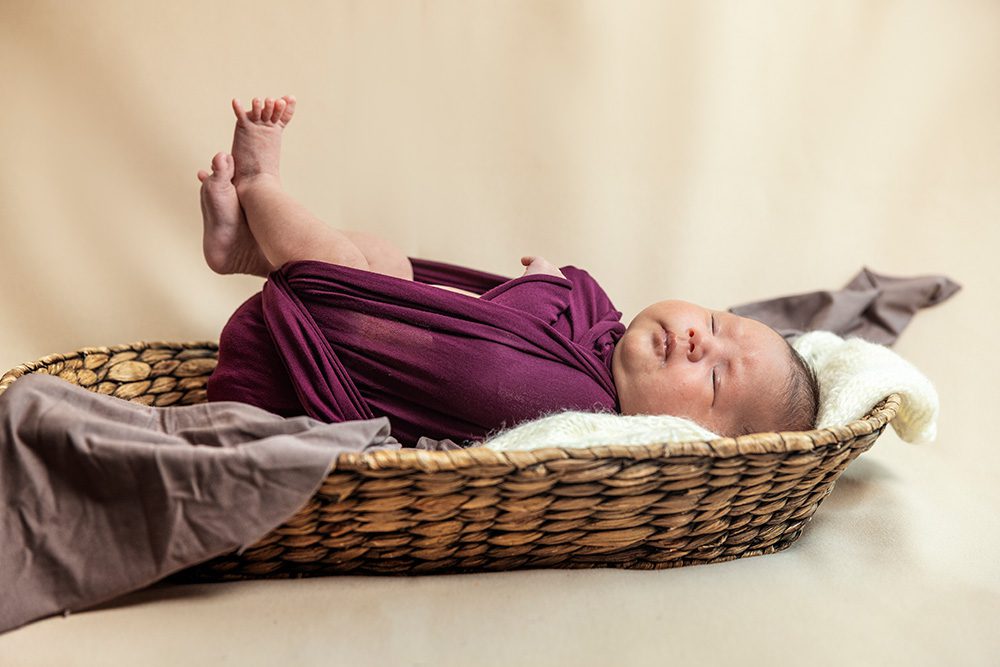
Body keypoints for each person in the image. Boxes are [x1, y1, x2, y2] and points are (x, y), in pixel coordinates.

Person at [199, 95, 818, 444]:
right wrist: (549, 292)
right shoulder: (599, 330)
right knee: (387, 261)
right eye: (713, 322)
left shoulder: (585, 419)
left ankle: (260, 184)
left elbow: (480, 371)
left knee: (344, 268)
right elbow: (496, 324)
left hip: (289, 375)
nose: (696, 340)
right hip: (347, 338)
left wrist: (540, 300)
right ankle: (251, 255)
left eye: (713, 380)